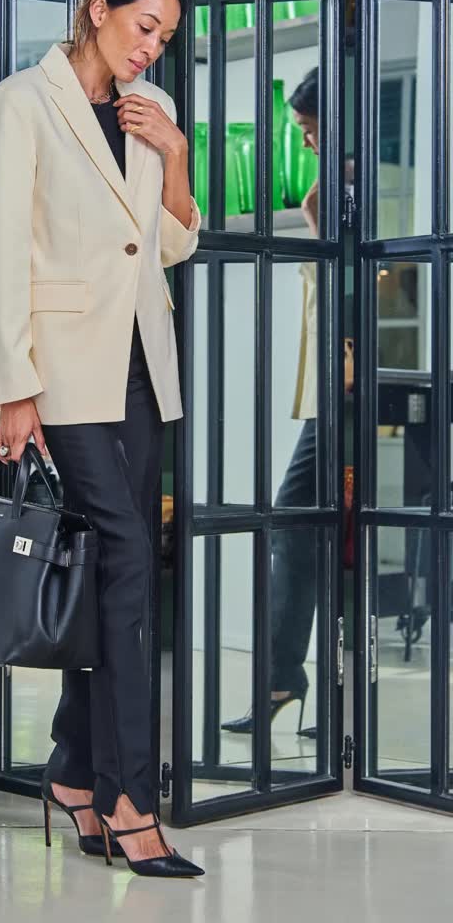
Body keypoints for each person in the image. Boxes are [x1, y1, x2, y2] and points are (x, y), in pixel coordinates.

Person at [0, 0, 204, 878]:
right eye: (144, 27)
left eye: (168, 36)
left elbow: (174, 241)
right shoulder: (18, 105)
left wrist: (174, 158)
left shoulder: (158, 116)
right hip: (62, 373)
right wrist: (13, 388)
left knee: (116, 565)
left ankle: (74, 771)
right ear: (97, 11)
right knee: (129, 565)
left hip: (142, 363)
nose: (154, 47)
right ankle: (130, 800)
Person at [222, 66, 322, 739]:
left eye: (311, 128)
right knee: (317, 529)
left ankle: (289, 677)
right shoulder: (335, 192)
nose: (306, 140)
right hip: (340, 385)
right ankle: (305, 681)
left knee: (297, 520)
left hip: (356, 387)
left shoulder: (367, 190)